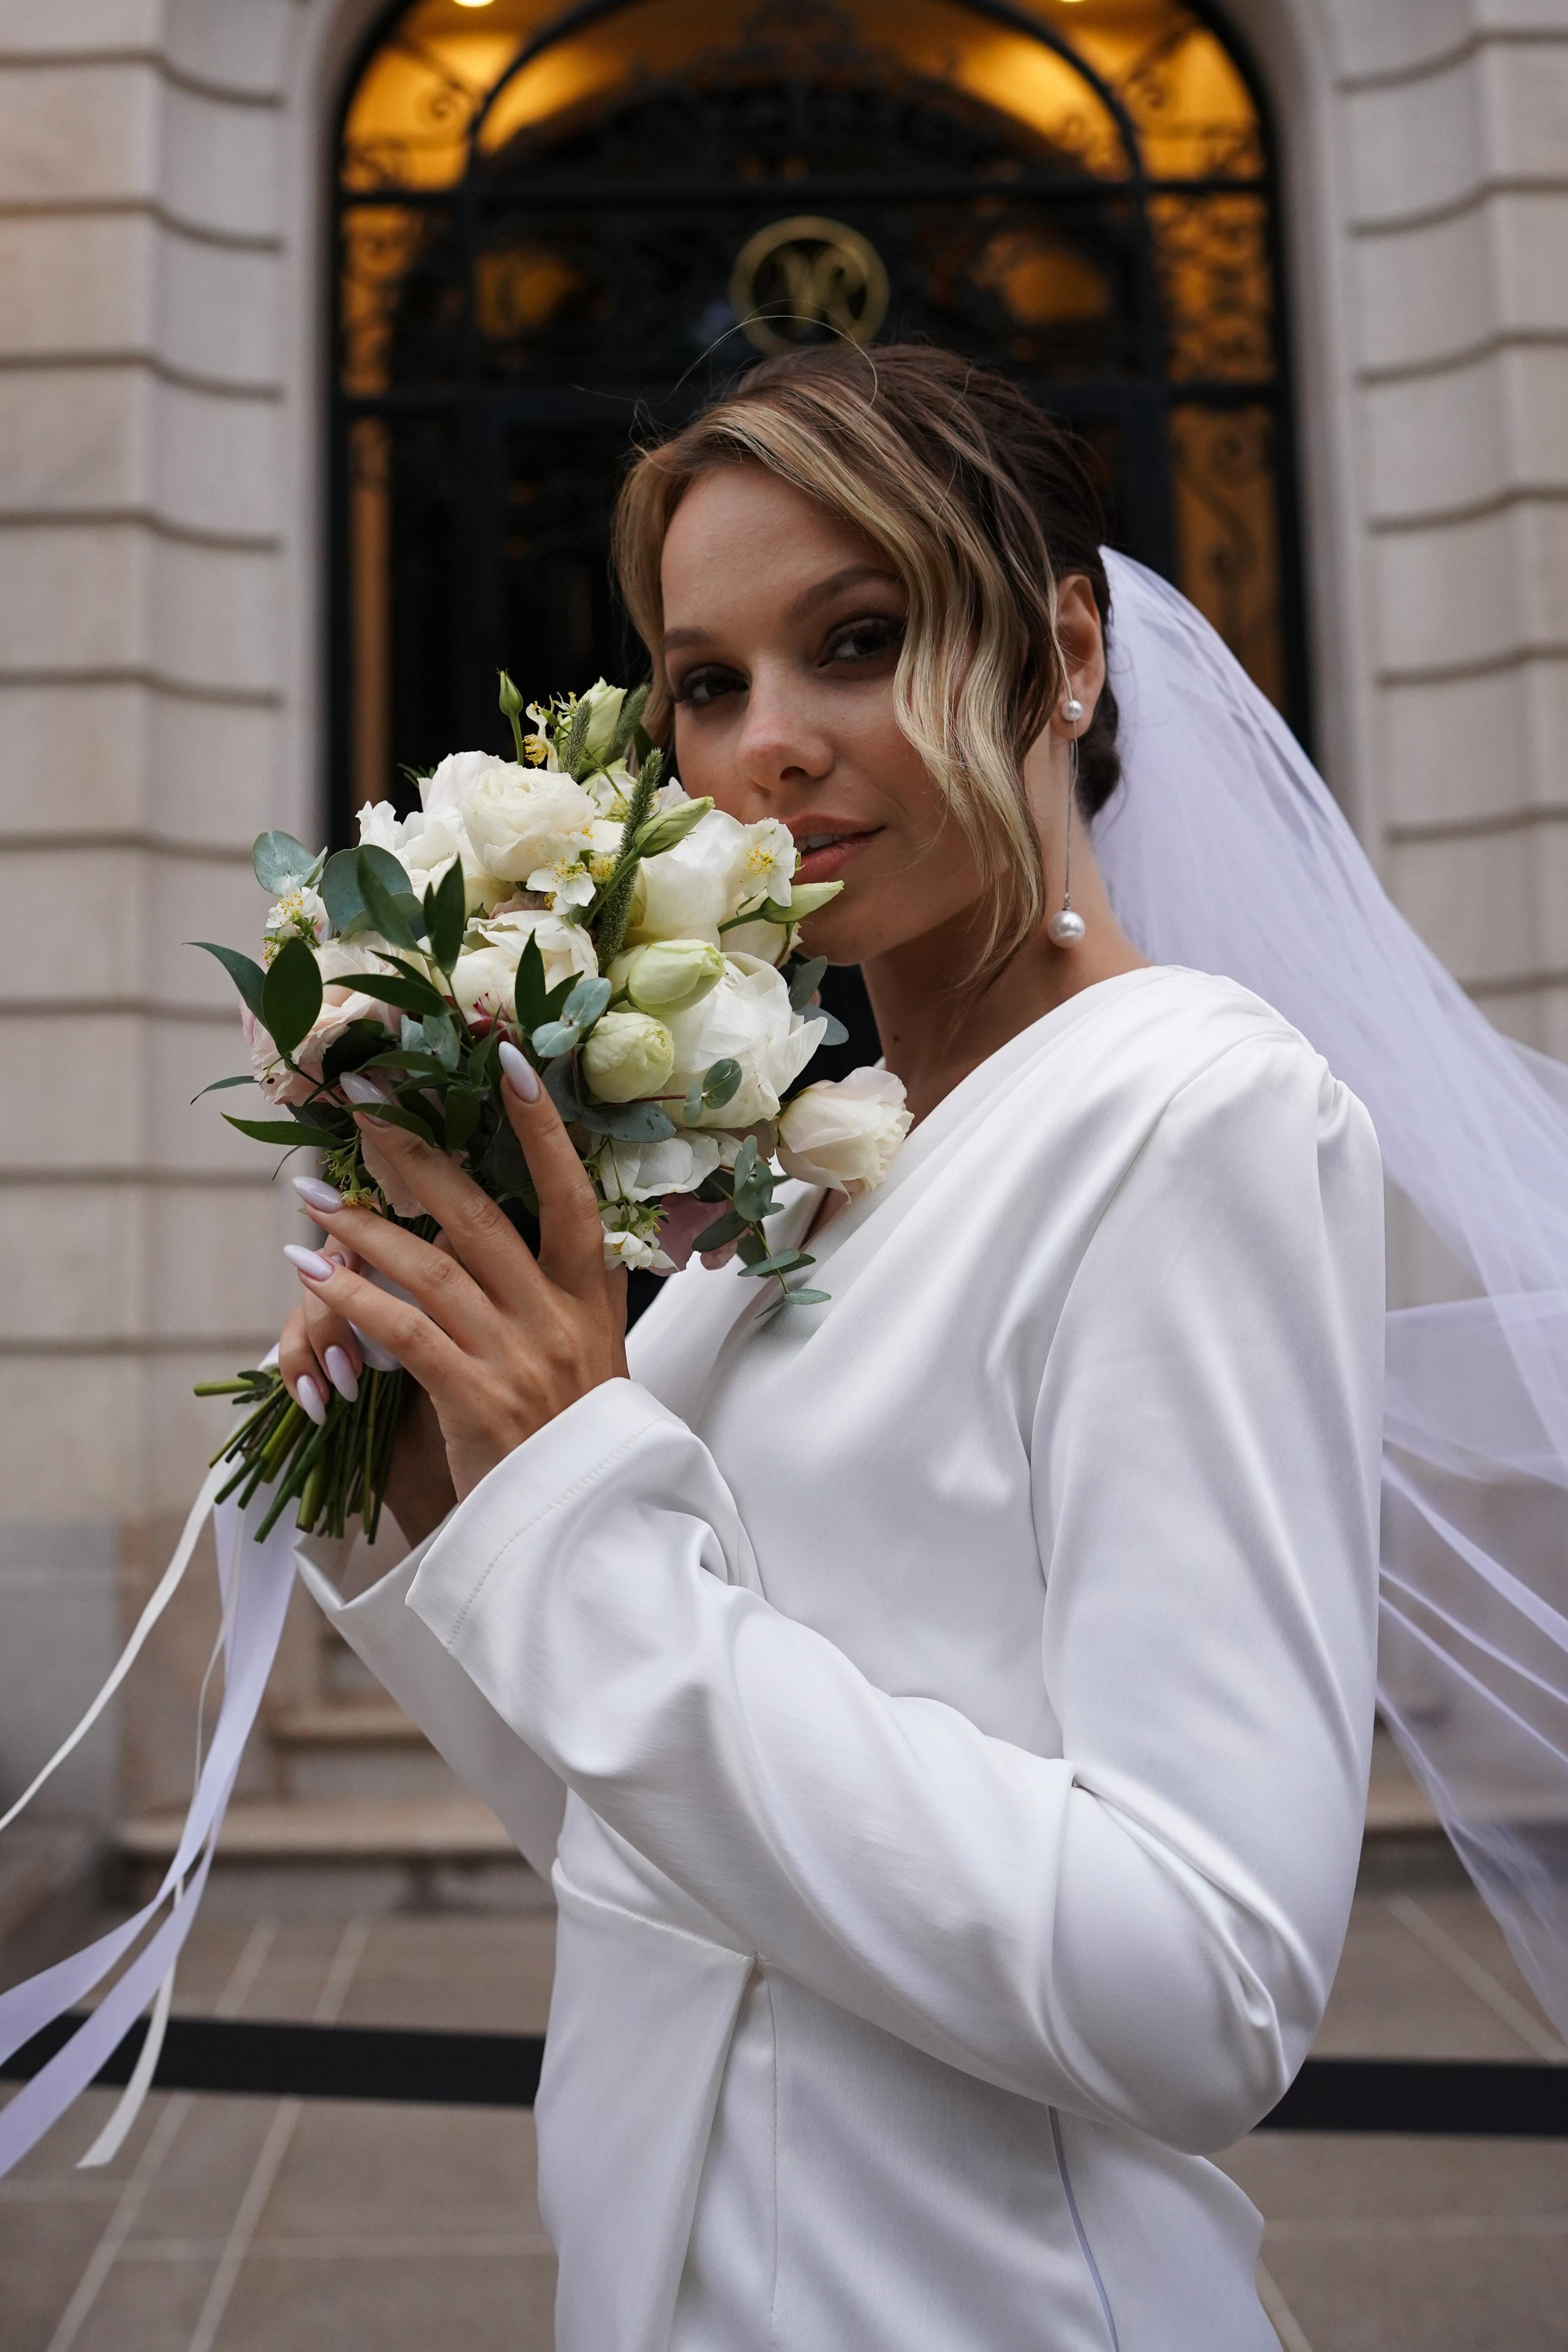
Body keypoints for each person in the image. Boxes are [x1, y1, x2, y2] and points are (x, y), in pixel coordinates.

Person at [281, 347, 1385, 2352]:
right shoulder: (779, 1199)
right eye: (708, 682)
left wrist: (583, 1511)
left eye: (859, 641)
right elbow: (653, 1850)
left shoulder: (1187, 1113)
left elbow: (1204, 1988)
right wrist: (444, 1466)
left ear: (1066, 657)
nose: (767, 747)